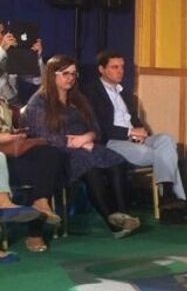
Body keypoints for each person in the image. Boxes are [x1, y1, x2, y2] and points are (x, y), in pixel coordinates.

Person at [23, 55, 142, 238]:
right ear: (52, 75)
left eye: (73, 74)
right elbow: (43, 135)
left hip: (87, 144)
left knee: (116, 161)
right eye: (65, 73)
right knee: (89, 166)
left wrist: (87, 137)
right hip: (60, 152)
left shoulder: (78, 99)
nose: (70, 78)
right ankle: (113, 224)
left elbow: (96, 128)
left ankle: (123, 214)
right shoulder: (39, 102)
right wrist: (74, 143)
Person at [84, 50, 187, 222]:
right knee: (159, 154)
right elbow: (98, 126)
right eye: (114, 67)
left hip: (134, 138)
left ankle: (167, 196)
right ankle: (170, 201)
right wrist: (129, 132)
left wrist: (141, 131)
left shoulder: (126, 94)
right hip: (113, 141)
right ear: (101, 69)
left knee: (166, 141)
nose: (120, 71)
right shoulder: (91, 92)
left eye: (122, 67)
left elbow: (134, 120)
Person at [1, 102, 63, 253]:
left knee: (50, 154)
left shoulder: (3, 101)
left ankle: (41, 204)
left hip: (11, 153)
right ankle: (35, 233)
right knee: (37, 173)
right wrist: (7, 137)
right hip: (3, 159)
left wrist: (16, 133)